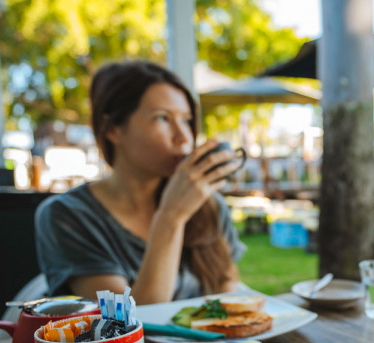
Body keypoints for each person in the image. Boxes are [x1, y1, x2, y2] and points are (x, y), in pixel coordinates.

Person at [35, 61, 246, 304]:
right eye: (163, 118)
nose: (183, 137)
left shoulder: (208, 205)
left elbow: (228, 294)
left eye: (187, 120)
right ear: (113, 129)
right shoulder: (68, 216)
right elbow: (126, 327)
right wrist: (171, 217)